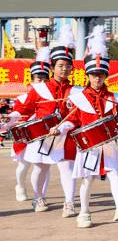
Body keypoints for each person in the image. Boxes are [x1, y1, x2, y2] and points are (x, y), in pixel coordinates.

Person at [55, 25, 118, 227]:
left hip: (108, 143)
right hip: (88, 144)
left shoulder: (114, 97)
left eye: (101, 74)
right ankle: (84, 213)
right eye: (93, 74)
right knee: (87, 179)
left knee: (114, 172)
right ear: (88, 76)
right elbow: (73, 120)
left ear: (106, 75)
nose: (97, 78)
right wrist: (61, 128)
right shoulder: (78, 98)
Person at [15, 28, 79, 215]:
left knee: (66, 167)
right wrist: (9, 117)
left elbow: (75, 116)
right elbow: (25, 109)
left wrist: (64, 127)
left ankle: (69, 202)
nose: (65, 69)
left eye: (68, 66)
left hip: (64, 134)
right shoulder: (39, 89)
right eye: (60, 66)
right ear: (52, 68)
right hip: (41, 134)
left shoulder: (76, 91)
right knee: (40, 168)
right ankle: (38, 197)